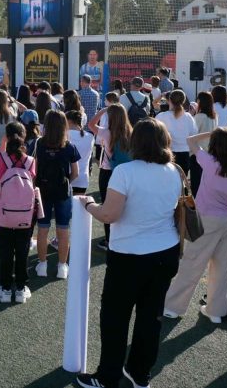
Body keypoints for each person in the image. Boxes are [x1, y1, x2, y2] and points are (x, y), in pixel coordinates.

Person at [76, 118, 181, 388]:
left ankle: (108, 375)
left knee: (115, 318)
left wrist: (89, 205)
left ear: (137, 141)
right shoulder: (174, 171)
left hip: (130, 256)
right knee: (150, 317)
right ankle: (140, 373)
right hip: (165, 252)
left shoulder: (125, 172)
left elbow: (110, 214)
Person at [163, 128, 227, 323]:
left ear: (215, 144)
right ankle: (216, 311)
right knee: (222, 267)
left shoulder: (210, 163)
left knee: (192, 262)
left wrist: (210, 132)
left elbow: (190, 140)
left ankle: (173, 307)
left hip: (207, 219)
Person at [0, 122, 41, 304]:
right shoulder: (30, 161)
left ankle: (5, 288)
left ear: (7, 137)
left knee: (5, 251)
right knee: (22, 250)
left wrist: (4, 141)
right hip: (25, 213)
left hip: (4, 213)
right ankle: (21, 288)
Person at [34, 110, 79, 279]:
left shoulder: (39, 144)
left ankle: (43, 264)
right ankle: (62, 266)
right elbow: (75, 172)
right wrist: (66, 182)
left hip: (43, 191)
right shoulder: (68, 146)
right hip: (63, 192)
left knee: (43, 229)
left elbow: (35, 170)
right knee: (63, 229)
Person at [88, 103, 132, 250]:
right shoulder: (131, 132)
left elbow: (91, 124)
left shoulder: (107, 133)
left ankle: (109, 240)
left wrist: (103, 110)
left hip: (108, 172)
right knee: (125, 205)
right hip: (127, 172)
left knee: (107, 206)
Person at [156, 89, 197, 174]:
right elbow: (194, 134)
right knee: (182, 182)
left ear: (169, 100)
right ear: (184, 101)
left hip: (167, 153)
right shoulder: (189, 117)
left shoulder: (161, 116)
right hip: (184, 154)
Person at [190, 91, 218, 196]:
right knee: (206, 180)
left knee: (196, 182)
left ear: (200, 101)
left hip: (198, 153)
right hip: (210, 152)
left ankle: (197, 205)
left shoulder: (200, 116)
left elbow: (193, 134)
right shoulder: (214, 116)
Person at [67, 110, 94, 195]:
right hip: (82, 179)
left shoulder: (64, 135)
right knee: (78, 207)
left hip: (67, 178)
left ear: (69, 121)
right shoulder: (90, 136)